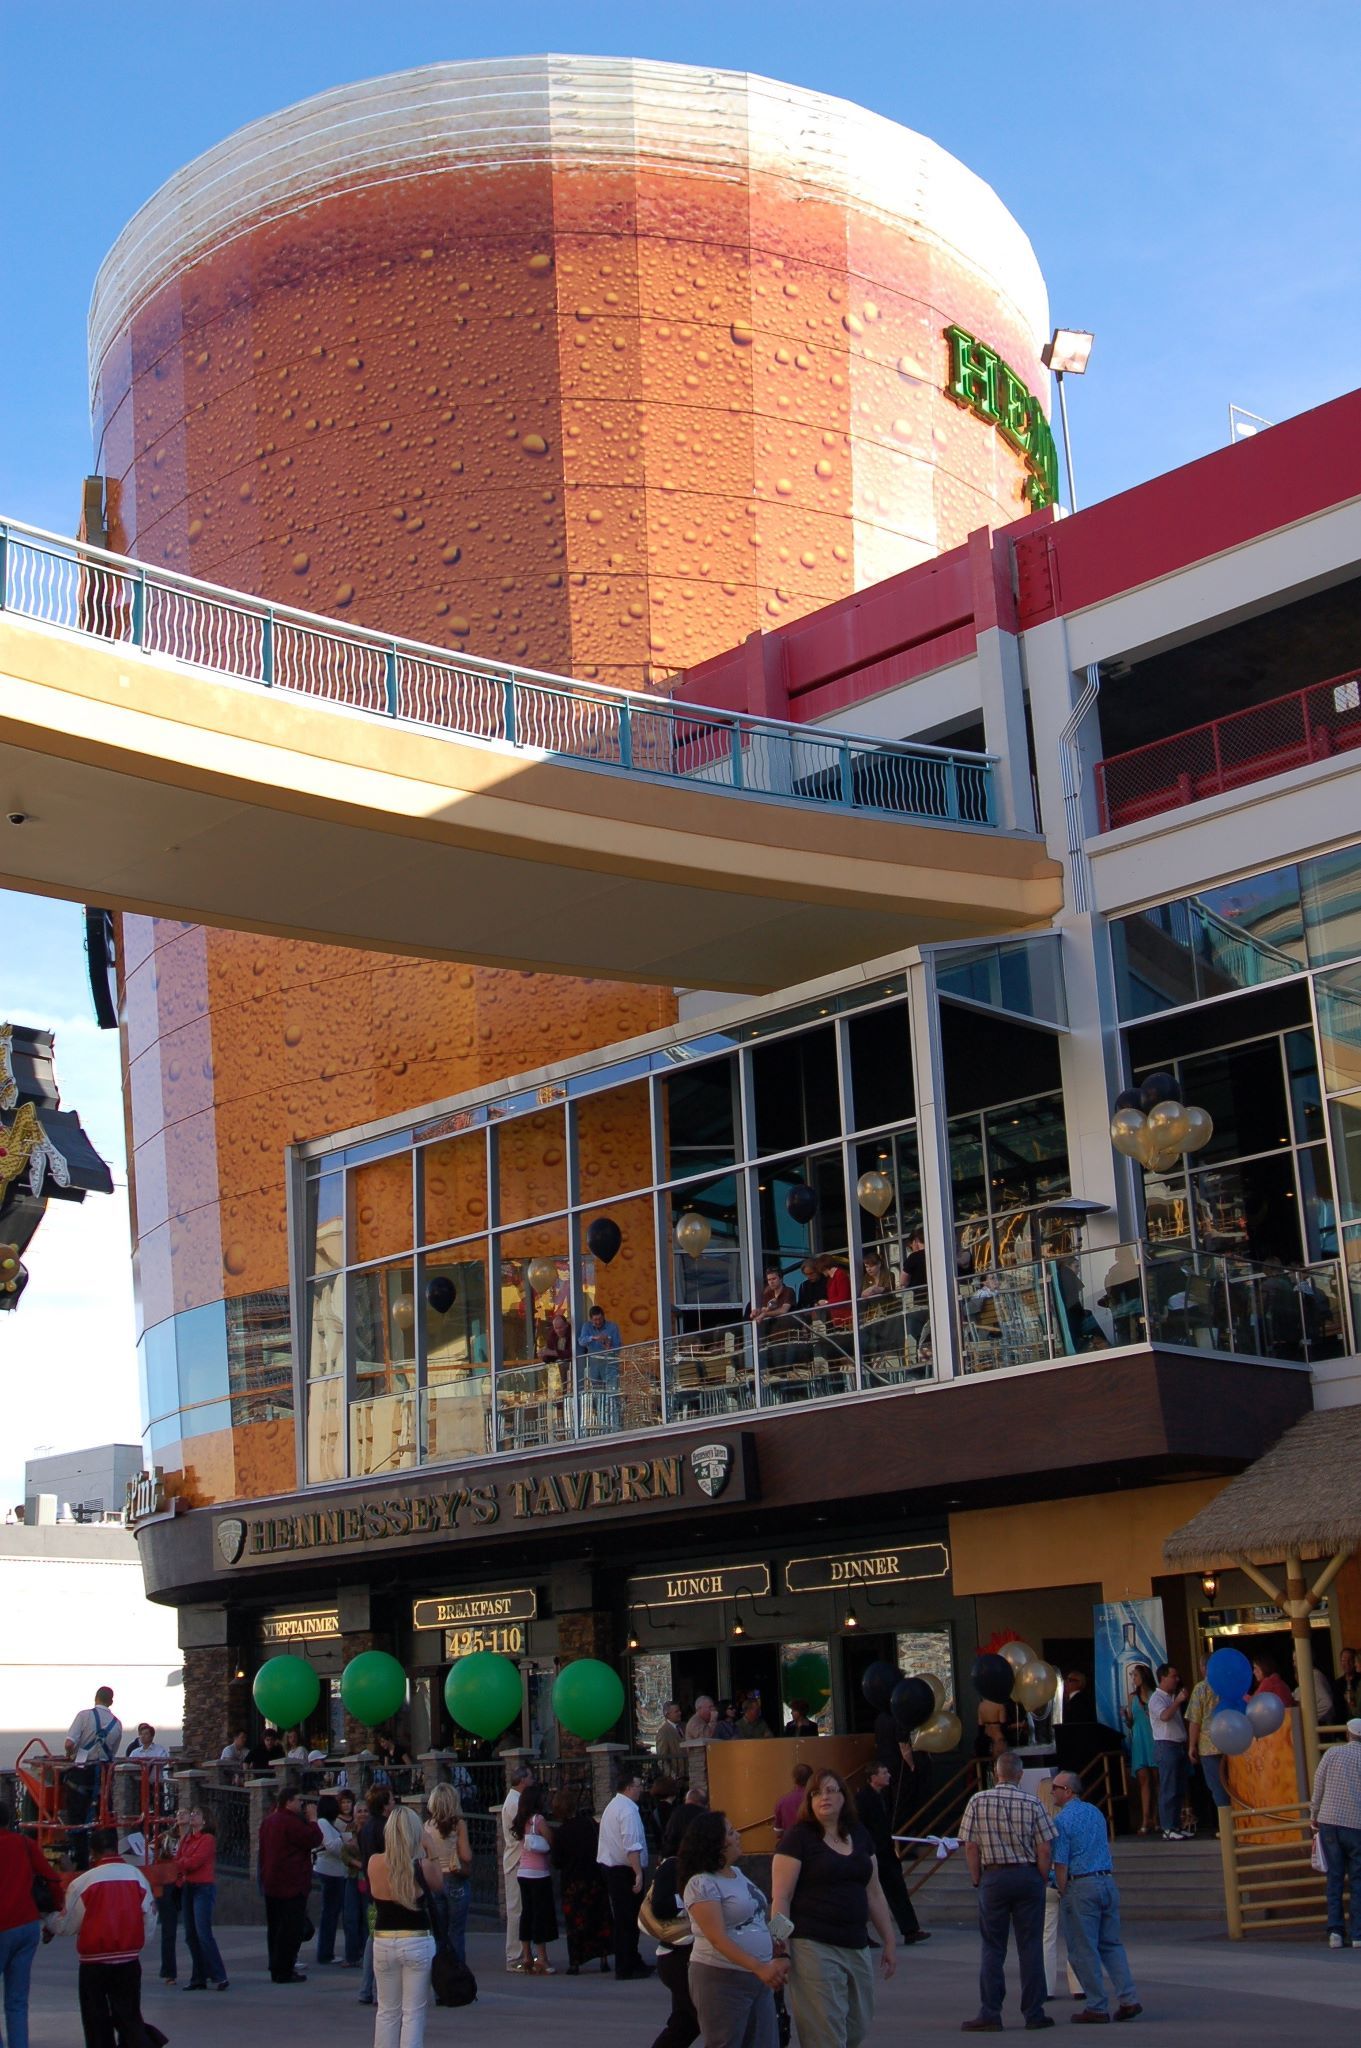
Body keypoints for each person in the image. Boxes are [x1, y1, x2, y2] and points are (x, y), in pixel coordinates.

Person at [771, 1766, 896, 2048]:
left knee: (857, 2025)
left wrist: (889, 1940)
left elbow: (874, 1893)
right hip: (812, 1944)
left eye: (830, 1790)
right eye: (816, 1793)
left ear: (843, 1797)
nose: (823, 1797)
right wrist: (779, 1948)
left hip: (855, 1944)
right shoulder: (798, 1838)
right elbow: (780, 1898)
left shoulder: (859, 1834)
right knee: (824, 2031)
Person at [956, 1749, 1055, 2034]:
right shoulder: (1033, 1802)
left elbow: (970, 1845)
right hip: (1026, 1874)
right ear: (1020, 1775)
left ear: (995, 1773)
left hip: (994, 1876)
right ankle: (1034, 2012)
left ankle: (990, 2013)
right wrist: (1040, 1876)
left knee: (992, 1947)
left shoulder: (978, 1800)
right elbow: (1045, 1847)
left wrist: (977, 1878)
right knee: (1030, 1946)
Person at [680, 1809, 787, 2048]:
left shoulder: (737, 1874)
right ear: (715, 1843)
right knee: (726, 2042)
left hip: (759, 1976)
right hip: (722, 1977)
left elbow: (756, 1919)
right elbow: (717, 1938)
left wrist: (780, 1948)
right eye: (730, 1832)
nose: (738, 1835)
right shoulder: (701, 1883)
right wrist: (759, 1967)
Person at [1050, 1770, 1141, 2023]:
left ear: (1068, 1791)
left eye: (1055, 1788)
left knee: (1081, 1949)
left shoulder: (1062, 1821)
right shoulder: (1096, 1812)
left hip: (1081, 1885)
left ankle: (1096, 2005)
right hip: (1106, 1881)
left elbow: (1061, 1863)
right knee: (1111, 1944)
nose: (1052, 1792)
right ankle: (1129, 1999)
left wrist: (1060, 1888)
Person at [56, 1825, 158, 2048]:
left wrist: (48, 1922)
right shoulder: (137, 1877)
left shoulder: (84, 1882)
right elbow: (150, 1917)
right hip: (129, 1958)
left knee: (96, 2021)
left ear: (93, 1852)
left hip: (94, 1961)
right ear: (116, 1849)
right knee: (130, 2018)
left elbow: (66, 1924)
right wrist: (138, 1943)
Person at [367, 1802, 441, 2048]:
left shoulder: (374, 1863)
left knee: (387, 2010)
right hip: (416, 1939)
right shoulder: (422, 1866)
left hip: (383, 1939)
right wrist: (431, 1849)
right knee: (413, 2012)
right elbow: (439, 1885)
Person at [0, 1796, 56, 2048]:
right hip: (26, 1926)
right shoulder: (25, 1844)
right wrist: (55, 1913)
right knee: (17, 2001)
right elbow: (51, 1879)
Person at [856, 1762, 927, 1944]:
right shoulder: (863, 1798)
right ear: (873, 1777)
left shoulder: (882, 1796)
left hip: (885, 1851)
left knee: (896, 1888)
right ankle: (861, 1933)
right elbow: (861, 1826)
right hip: (873, 1852)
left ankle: (910, 1930)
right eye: (884, 1772)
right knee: (867, 1893)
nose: (888, 1775)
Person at [258, 1785, 323, 1984]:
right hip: (291, 1884)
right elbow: (312, 1838)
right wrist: (313, 1820)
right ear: (289, 1801)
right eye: (298, 1800)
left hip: (271, 1883)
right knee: (289, 1929)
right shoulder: (289, 1822)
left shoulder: (268, 1821)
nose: (301, 1804)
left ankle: (276, 1966)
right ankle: (284, 1969)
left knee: (275, 1927)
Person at [1310, 1715, 1361, 1948]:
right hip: (1357, 1824)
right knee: (1358, 1880)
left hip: (1329, 1821)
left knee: (1335, 1877)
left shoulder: (1331, 1753)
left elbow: (1318, 1785)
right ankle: (1359, 1934)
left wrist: (1313, 1816)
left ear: (1348, 1734)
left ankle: (1335, 1933)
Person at [550, 1789, 613, 1975]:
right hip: (594, 1878)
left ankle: (575, 1961)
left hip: (572, 1883)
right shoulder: (590, 1824)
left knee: (575, 1923)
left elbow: (557, 1861)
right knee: (599, 1917)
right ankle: (603, 1957)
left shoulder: (561, 1832)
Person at [597, 1769, 651, 1980]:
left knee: (624, 1918)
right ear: (629, 1787)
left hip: (613, 1868)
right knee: (628, 1919)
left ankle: (631, 1959)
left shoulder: (613, 1806)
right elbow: (631, 1844)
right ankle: (626, 1964)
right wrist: (638, 1873)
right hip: (624, 1870)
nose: (641, 1789)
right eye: (638, 1785)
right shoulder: (628, 1811)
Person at [645, 1842, 699, 2048]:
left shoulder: (725, 1871)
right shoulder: (673, 1866)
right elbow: (660, 1906)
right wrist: (690, 1901)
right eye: (728, 1832)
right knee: (705, 2020)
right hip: (678, 1956)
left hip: (692, 1957)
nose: (736, 1836)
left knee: (685, 2023)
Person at [64, 1687, 123, 1872]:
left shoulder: (84, 1716)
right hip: (103, 1773)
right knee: (105, 1815)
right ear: (111, 1702)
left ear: (95, 1698)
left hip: (82, 1771)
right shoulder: (117, 1724)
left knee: (77, 1818)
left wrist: (69, 1754)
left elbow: (69, 1743)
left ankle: (80, 1862)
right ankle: (109, 1858)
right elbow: (112, 1753)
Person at [175, 1806, 229, 1991]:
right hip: (188, 1887)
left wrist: (181, 1863)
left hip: (203, 1888)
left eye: (197, 1814)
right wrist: (181, 1863)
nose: (192, 1816)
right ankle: (198, 1977)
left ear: (205, 1820)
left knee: (203, 1933)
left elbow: (192, 1862)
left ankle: (219, 1975)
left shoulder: (207, 1839)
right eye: (192, 1813)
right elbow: (180, 1859)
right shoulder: (187, 1839)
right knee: (191, 1935)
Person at [421, 1782, 472, 1966]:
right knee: (456, 1931)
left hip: (435, 1879)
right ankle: (458, 1971)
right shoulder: (458, 1824)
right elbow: (466, 1855)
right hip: (454, 1879)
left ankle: (440, 1972)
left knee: (439, 1932)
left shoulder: (426, 1826)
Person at [511, 1782, 558, 1974]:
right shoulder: (538, 1820)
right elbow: (550, 1840)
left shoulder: (520, 1820)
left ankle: (527, 1955)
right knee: (540, 1915)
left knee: (526, 1914)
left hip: (523, 1871)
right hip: (539, 1872)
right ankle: (542, 1958)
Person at [357, 1784, 394, 2006]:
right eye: (390, 1800)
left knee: (373, 1937)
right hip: (385, 1890)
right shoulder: (385, 1828)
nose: (394, 1803)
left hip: (371, 1888)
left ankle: (365, 1988)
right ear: (383, 1805)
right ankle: (378, 1991)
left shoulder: (366, 1828)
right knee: (380, 1940)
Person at [1148, 1663, 1191, 1841]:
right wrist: (1178, 1701)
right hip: (1166, 1745)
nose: (1177, 1680)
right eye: (1173, 1676)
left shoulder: (1171, 1696)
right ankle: (1167, 1827)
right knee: (1168, 1788)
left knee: (1179, 1788)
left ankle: (1176, 1825)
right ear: (1163, 1678)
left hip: (1178, 1744)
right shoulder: (1156, 1699)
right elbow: (1165, 1716)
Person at [313, 1793, 353, 1967]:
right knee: (329, 1913)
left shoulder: (329, 1824)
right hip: (329, 1872)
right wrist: (345, 1842)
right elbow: (331, 1846)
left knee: (332, 1912)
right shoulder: (322, 1823)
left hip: (336, 1872)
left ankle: (327, 1951)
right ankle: (325, 1953)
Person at [1186, 1664, 1231, 1817]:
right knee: (1233, 1784)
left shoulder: (1200, 1688)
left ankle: (1226, 1825)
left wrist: (1191, 1745)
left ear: (1203, 1667)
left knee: (1217, 1786)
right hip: (1231, 1742)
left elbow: (1195, 1720)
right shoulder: (1228, 1685)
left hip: (1208, 1745)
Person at [501, 1763, 533, 1971]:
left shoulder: (516, 1800)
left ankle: (524, 1952)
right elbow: (518, 1834)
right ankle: (514, 1956)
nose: (533, 1781)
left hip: (520, 1859)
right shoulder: (514, 1803)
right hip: (516, 1860)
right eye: (530, 1778)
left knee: (522, 1908)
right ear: (522, 1780)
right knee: (516, 1909)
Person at [1123, 1664, 1158, 1835]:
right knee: (1143, 1779)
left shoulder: (1154, 1695)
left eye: (1135, 1675)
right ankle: (1145, 1819)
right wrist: (1125, 1717)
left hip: (1153, 1738)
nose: (1133, 1679)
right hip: (1139, 1740)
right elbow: (1131, 1722)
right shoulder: (1132, 1698)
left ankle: (1157, 1817)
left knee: (1157, 1778)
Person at [580, 1304, 623, 1424]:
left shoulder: (612, 1327)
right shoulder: (587, 1327)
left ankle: (615, 1422)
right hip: (594, 1366)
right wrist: (594, 1338)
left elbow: (618, 1347)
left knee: (612, 1393)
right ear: (591, 1319)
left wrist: (608, 1344)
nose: (598, 1322)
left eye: (599, 1319)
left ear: (603, 1317)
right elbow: (581, 1341)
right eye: (595, 1320)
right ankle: (602, 1422)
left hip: (610, 1365)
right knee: (597, 1395)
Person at [661, 1785, 709, 1858]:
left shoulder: (676, 1813)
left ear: (687, 1799)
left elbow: (669, 1836)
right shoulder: (706, 1815)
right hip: (701, 1858)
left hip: (678, 1857)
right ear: (704, 1803)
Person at [774, 1764, 814, 1838]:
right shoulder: (816, 1798)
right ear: (811, 1778)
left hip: (790, 1846)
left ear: (794, 1779)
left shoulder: (782, 1801)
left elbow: (778, 1833)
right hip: (814, 1844)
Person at [656, 1700, 685, 1771]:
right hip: (676, 1775)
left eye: (679, 1711)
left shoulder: (684, 1726)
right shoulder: (663, 1732)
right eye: (676, 1712)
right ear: (668, 1715)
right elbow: (662, 1758)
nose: (680, 1713)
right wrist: (671, 1776)